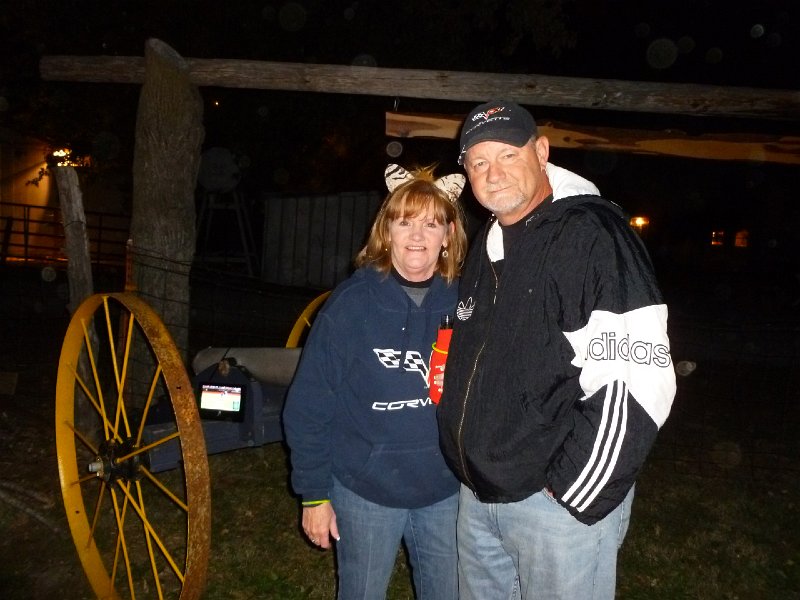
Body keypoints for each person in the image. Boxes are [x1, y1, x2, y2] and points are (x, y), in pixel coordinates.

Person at [437, 100, 677, 600]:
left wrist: (572, 494)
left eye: (507, 154)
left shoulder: (589, 235)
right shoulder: (488, 245)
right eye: (478, 162)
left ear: (541, 151)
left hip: (553, 509)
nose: (493, 173)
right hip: (479, 497)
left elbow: (638, 381)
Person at [283, 163, 468, 599]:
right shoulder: (350, 305)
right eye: (405, 222)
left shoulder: (466, 304)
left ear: (449, 235)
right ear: (387, 231)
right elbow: (309, 406)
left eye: (431, 223)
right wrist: (313, 495)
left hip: (444, 490)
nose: (417, 235)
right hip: (365, 490)